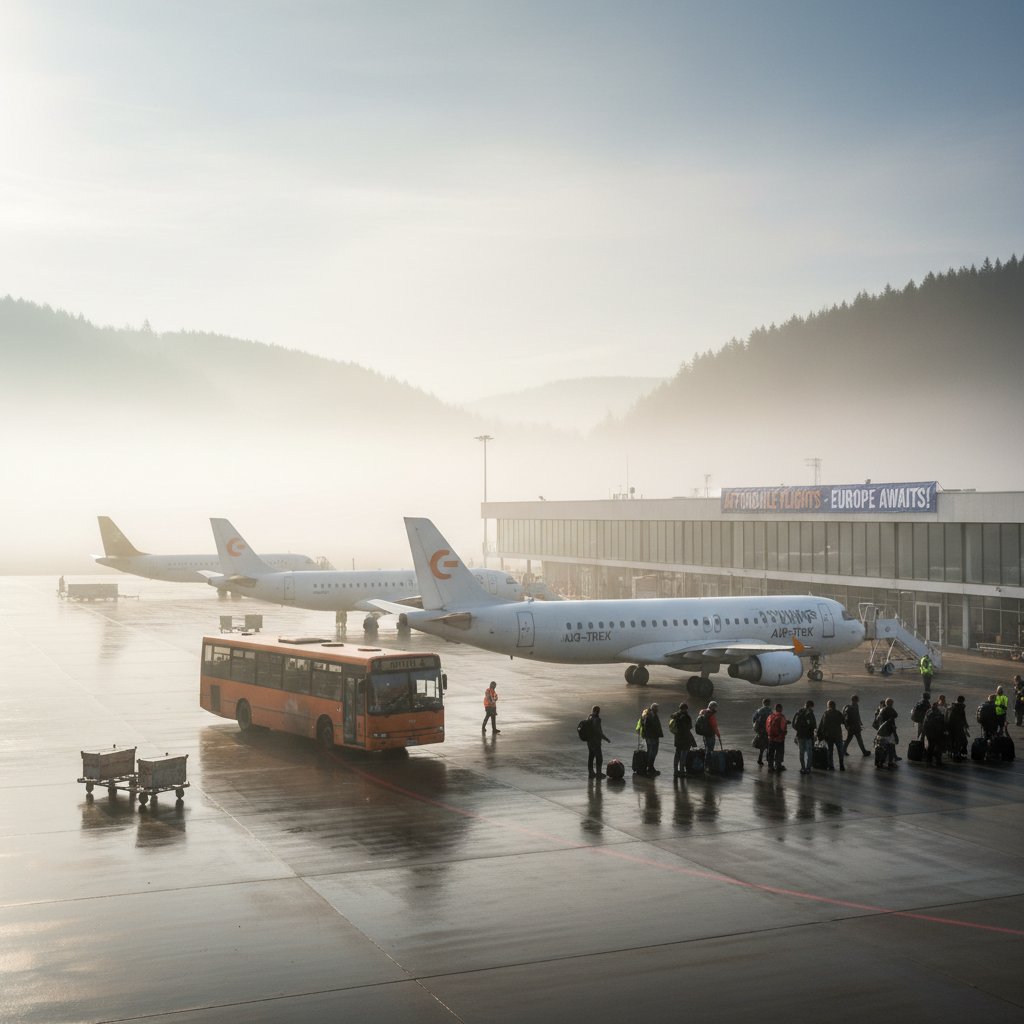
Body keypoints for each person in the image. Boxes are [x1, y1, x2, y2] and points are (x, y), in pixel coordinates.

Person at [817, 700, 846, 771]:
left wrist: (820, 735)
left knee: (830, 751)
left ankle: (831, 766)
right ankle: (841, 765)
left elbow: (823, 725)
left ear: (828, 706)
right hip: (838, 735)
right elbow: (843, 721)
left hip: (829, 736)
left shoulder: (826, 713)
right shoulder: (838, 713)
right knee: (840, 750)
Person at [670, 702, 695, 778]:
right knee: (683, 756)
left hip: (677, 738)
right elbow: (689, 727)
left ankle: (675, 771)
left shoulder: (675, 715)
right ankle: (681, 771)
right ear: (685, 708)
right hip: (685, 739)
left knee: (677, 755)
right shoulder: (685, 717)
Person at [792, 700, 817, 774]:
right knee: (809, 753)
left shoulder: (798, 712)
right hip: (808, 736)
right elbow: (814, 725)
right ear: (811, 706)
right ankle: (808, 768)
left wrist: (799, 730)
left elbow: (794, 725)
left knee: (801, 752)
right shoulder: (810, 713)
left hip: (800, 735)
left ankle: (803, 768)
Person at [586, 705, 610, 778]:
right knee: (599, 758)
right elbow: (598, 732)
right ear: (597, 711)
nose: (599, 712)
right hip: (595, 742)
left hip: (589, 741)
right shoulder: (597, 719)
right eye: (599, 710)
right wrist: (606, 739)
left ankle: (591, 773)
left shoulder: (589, 717)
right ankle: (598, 773)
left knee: (591, 757)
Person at [922, 700, 947, 767]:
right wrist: (943, 730)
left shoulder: (928, 711)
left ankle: (929, 760)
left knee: (931, 747)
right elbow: (939, 723)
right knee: (938, 747)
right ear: (936, 706)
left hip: (929, 733)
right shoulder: (936, 713)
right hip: (935, 733)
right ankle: (938, 762)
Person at [875, 697, 899, 769]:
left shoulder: (882, 710)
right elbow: (896, 715)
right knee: (891, 747)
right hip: (889, 732)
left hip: (881, 732)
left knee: (881, 748)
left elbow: (878, 720)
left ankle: (880, 762)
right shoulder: (890, 709)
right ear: (891, 704)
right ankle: (890, 762)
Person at [641, 702, 664, 775]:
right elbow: (647, 726)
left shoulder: (653, 714)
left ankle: (650, 767)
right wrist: (654, 733)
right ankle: (650, 767)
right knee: (652, 752)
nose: (657, 710)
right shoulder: (649, 715)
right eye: (656, 708)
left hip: (653, 736)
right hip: (651, 737)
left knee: (653, 752)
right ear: (653, 708)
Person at [765, 703, 788, 772]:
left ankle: (770, 766)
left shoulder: (770, 716)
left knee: (771, 752)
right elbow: (783, 728)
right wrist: (784, 732)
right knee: (779, 752)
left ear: (775, 709)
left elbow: (766, 727)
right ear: (780, 709)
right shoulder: (781, 716)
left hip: (771, 738)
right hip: (779, 738)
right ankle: (778, 766)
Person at [946, 695, 969, 760]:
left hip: (950, 726)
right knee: (962, 741)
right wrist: (966, 726)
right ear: (962, 701)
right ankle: (957, 754)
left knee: (952, 740)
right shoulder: (960, 708)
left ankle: (952, 753)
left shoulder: (951, 706)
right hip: (958, 727)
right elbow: (963, 718)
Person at [752, 697, 771, 767]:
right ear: (768, 703)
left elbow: (754, 720)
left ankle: (760, 759)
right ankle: (768, 759)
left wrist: (756, 729)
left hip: (761, 731)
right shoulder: (770, 711)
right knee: (768, 745)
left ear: (763, 703)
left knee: (762, 746)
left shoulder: (759, 711)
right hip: (768, 730)